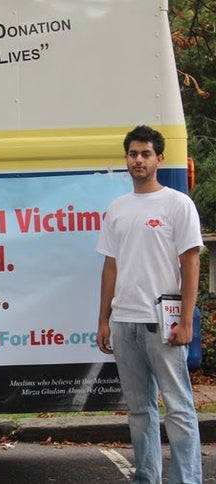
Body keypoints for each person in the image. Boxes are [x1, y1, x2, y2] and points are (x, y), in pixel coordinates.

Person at [96, 125, 202, 483]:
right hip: (124, 322)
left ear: (159, 159)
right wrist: (104, 320)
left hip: (164, 323)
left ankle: (186, 478)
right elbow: (110, 266)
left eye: (145, 154)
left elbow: (191, 262)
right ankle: (146, 476)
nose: (138, 160)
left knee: (178, 407)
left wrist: (187, 321)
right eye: (132, 154)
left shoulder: (177, 203)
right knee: (140, 411)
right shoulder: (117, 208)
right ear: (127, 159)